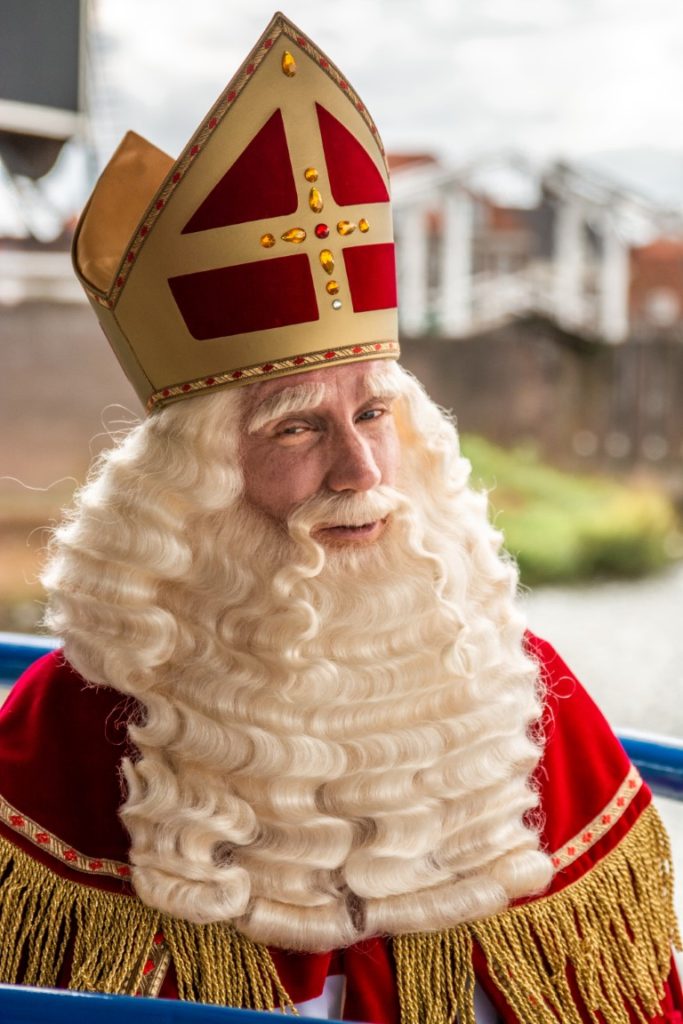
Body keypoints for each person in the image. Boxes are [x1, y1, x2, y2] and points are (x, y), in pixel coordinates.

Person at [0, 13, 680, 1023]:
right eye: (295, 429)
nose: (360, 468)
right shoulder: (70, 727)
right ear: (194, 479)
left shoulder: (521, 699)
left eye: (372, 413)